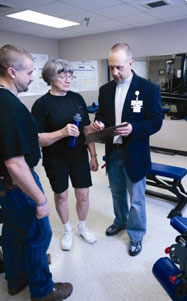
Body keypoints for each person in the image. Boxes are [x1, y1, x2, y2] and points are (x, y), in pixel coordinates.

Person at [0, 45, 73, 300]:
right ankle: (43, 290)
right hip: (17, 182)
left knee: (12, 232)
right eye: (29, 72)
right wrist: (40, 200)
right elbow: (15, 162)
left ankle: (16, 279)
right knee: (39, 232)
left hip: (5, 186)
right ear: (12, 72)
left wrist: (61, 133)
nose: (33, 77)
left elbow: (29, 137)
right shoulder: (9, 105)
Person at [92, 43, 163, 257]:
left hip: (135, 152)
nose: (115, 72)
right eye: (111, 67)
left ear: (131, 63)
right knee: (116, 194)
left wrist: (134, 128)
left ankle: (136, 234)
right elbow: (102, 114)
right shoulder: (105, 90)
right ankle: (120, 222)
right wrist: (99, 123)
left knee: (137, 199)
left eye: (119, 67)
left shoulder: (149, 89)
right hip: (113, 152)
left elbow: (156, 121)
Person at [31, 59, 98, 251]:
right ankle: (68, 230)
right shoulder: (41, 105)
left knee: (83, 195)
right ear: (51, 78)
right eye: (63, 75)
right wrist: (62, 132)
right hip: (55, 158)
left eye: (70, 75)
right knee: (61, 196)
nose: (68, 79)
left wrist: (93, 155)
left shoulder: (77, 99)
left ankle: (82, 227)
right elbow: (38, 139)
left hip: (78, 156)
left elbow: (86, 130)